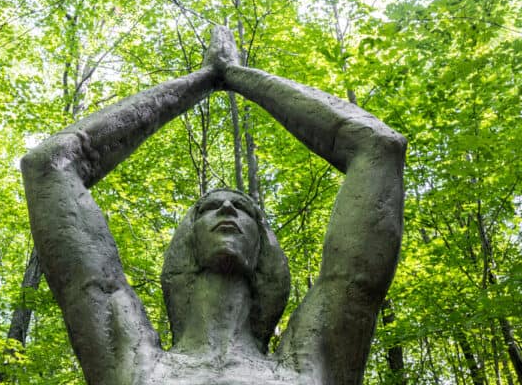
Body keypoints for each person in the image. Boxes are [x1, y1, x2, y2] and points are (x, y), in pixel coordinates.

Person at [21, 26, 406, 385]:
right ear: (187, 238)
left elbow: (379, 147)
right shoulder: (134, 361)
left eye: (243, 208)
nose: (227, 209)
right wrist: (200, 81)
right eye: (209, 206)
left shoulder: (309, 362)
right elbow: (49, 165)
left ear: (263, 244)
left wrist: (238, 75)